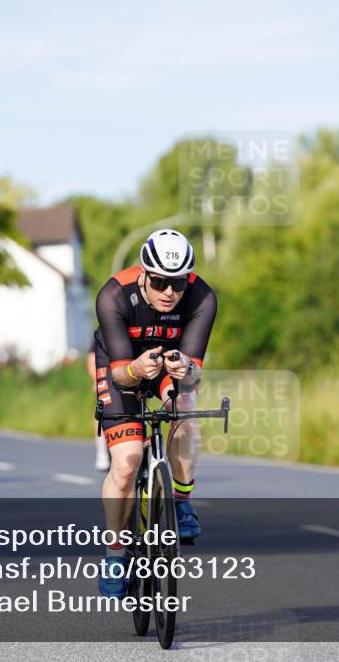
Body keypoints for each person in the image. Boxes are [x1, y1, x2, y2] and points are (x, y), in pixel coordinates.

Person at [94, 229, 216, 598]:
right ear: (145, 274)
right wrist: (135, 371)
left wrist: (184, 371)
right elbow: (119, 373)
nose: (169, 293)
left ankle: (181, 500)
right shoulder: (114, 294)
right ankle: (115, 554)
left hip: (168, 363)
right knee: (128, 462)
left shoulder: (202, 297)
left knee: (186, 406)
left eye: (177, 284)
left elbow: (195, 373)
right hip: (122, 365)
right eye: (160, 281)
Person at [87, 338, 110, 472]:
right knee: (101, 412)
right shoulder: (102, 329)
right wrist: (96, 379)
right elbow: (91, 356)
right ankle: (102, 452)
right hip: (105, 376)